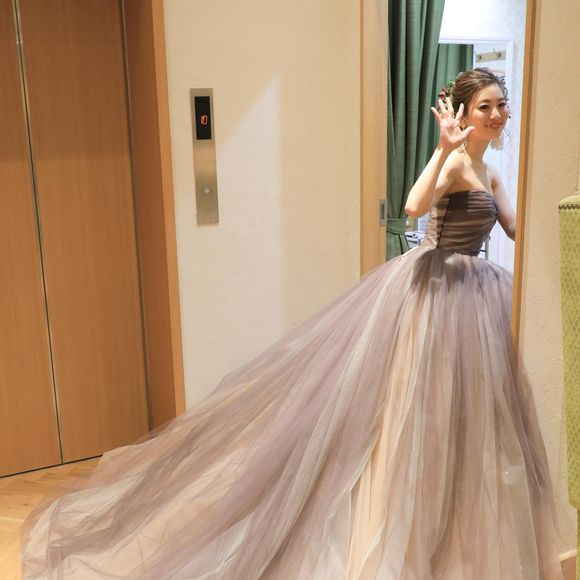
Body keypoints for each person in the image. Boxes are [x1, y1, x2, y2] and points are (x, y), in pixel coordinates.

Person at [21, 68, 564, 579]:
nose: (496, 114)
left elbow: (515, 228)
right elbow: (414, 205)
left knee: (470, 412)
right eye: (484, 106)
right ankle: (396, 522)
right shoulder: (454, 164)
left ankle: (454, 527)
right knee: (413, 409)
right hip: (433, 292)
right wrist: (442, 148)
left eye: (501, 105)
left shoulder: (492, 170)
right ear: (462, 113)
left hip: (476, 293)